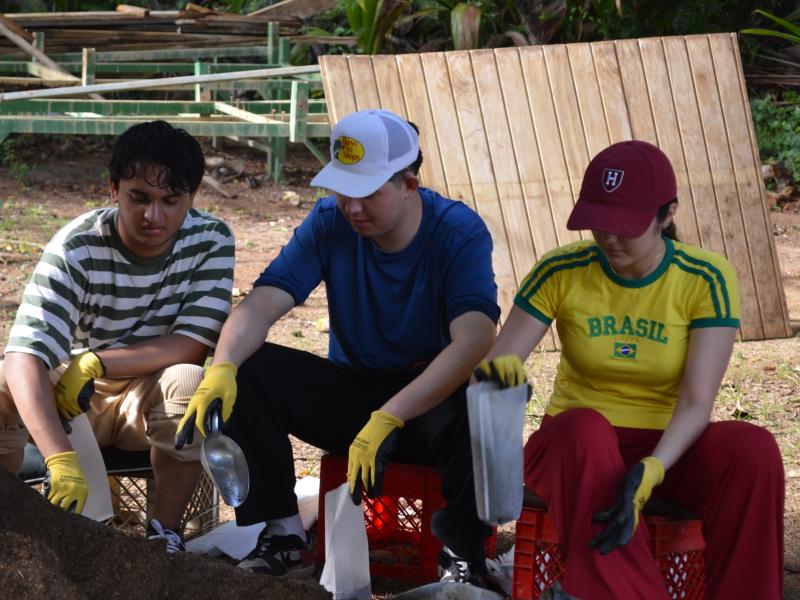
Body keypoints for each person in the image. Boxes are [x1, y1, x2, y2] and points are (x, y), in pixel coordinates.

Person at [175, 109, 500, 584]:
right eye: (343, 191)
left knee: (481, 399)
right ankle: (285, 537)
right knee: (248, 367)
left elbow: (474, 339)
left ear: (409, 184)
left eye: (368, 192)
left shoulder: (458, 232)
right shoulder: (330, 222)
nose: (353, 207)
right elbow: (262, 303)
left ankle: (463, 555)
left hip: (429, 401)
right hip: (353, 397)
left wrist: (394, 414)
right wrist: (222, 366)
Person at [478, 140, 784, 599]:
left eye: (625, 227)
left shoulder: (706, 277)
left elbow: (698, 401)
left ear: (666, 215)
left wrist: (655, 468)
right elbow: (497, 365)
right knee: (586, 430)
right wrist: (497, 381)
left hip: (669, 445)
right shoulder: (562, 269)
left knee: (753, 450)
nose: (609, 239)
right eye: (599, 225)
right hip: (574, 444)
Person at [0, 120, 235, 553]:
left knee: (190, 378)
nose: (154, 216)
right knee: (2, 381)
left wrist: (100, 361)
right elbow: (23, 355)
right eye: (139, 198)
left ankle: (163, 536)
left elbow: (193, 342)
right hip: (70, 401)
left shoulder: (210, 240)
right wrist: (59, 457)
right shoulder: (79, 246)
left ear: (192, 197)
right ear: (113, 188)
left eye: (171, 200)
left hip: (147, 397)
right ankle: (11, 522)